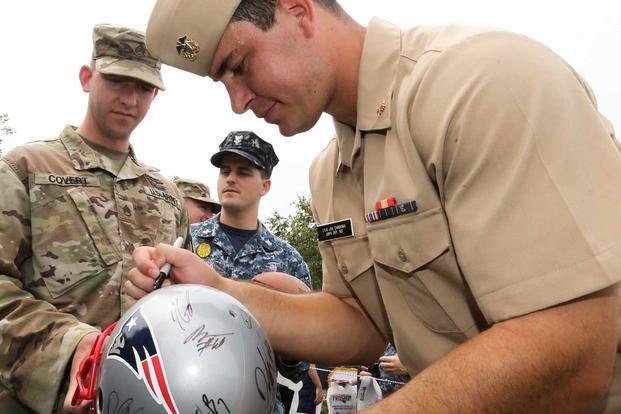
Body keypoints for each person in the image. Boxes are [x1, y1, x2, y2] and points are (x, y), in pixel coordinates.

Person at [127, 0, 621, 412]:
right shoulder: (332, 171)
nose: (237, 101)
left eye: (239, 66)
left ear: (298, 11)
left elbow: (575, 349)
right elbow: (358, 323)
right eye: (223, 82)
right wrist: (218, 291)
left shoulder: (480, 85)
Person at [0, 24, 190, 413]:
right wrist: (70, 346)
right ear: (87, 78)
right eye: (117, 80)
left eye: (143, 88)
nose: (129, 98)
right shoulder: (26, 168)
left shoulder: (167, 196)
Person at [191, 130, 312, 413]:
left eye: (244, 172)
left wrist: (287, 328)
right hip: (187, 394)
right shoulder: (187, 241)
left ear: (265, 186)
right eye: (225, 171)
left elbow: (298, 370)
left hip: (258, 403)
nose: (231, 178)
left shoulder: (287, 260)